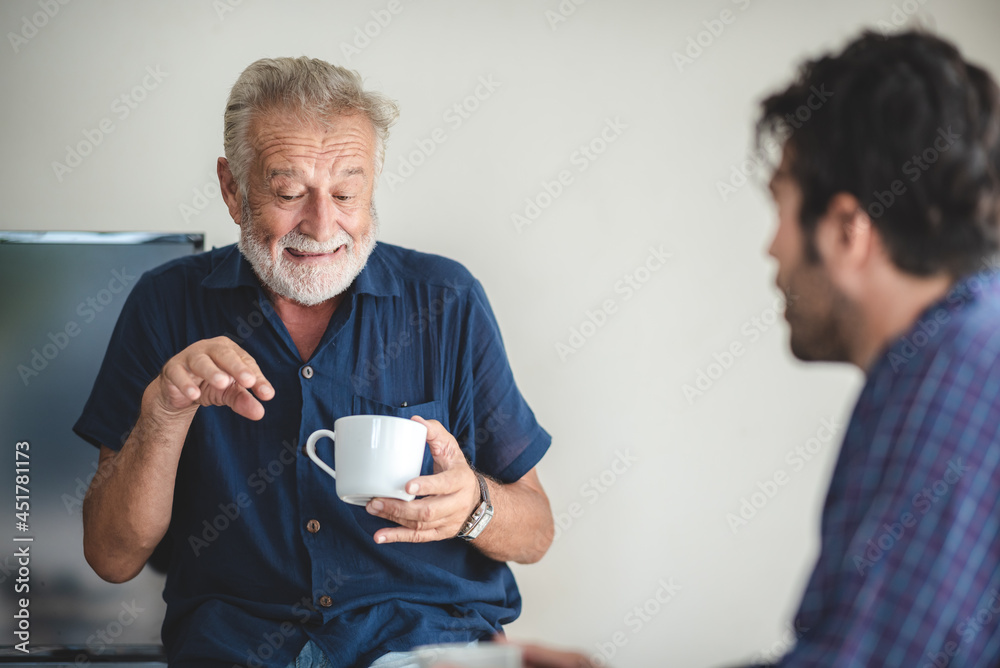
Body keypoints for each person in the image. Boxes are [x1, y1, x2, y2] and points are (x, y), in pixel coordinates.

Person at [522, 29, 1000, 668]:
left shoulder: (960, 376)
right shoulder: (941, 358)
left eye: (780, 207)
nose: (770, 247)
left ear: (847, 231)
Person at [75, 57, 555, 668]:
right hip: (237, 647)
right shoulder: (166, 303)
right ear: (232, 188)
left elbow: (536, 532)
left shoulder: (447, 300)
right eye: (288, 193)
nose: (323, 225)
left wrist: (473, 507)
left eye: (347, 192)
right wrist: (164, 415)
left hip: (421, 643)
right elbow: (111, 557)